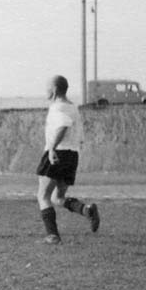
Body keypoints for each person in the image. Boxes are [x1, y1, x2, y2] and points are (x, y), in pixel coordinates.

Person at [36, 75, 100, 244]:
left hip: (58, 152)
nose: (46, 91)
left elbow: (63, 125)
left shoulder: (58, 107)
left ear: (55, 89)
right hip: (72, 155)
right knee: (57, 198)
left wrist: (51, 149)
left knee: (43, 196)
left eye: (48, 87)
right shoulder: (73, 107)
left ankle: (52, 235)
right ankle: (86, 210)